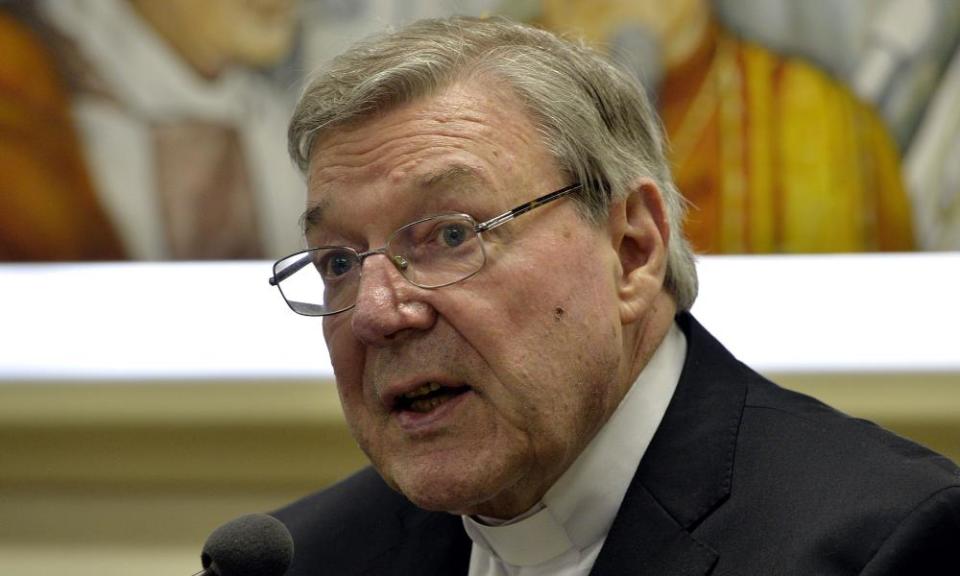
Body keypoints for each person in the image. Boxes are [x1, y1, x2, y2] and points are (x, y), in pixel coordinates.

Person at [268, 16, 960, 575]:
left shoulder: (883, 544)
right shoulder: (303, 558)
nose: (377, 311)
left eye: (451, 236)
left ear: (632, 249)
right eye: (338, 261)